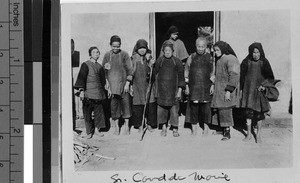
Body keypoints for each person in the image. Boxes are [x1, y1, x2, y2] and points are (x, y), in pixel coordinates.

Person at [240, 42, 275, 143]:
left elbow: (270, 77)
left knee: (259, 114)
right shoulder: (246, 62)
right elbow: (241, 77)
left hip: (259, 91)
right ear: (251, 53)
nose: (256, 54)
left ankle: (258, 134)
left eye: (258, 52)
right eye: (254, 52)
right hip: (248, 91)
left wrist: (264, 86)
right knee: (248, 113)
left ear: (261, 52)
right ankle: (249, 134)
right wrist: (242, 90)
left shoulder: (264, 62)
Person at [102, 35, 133, 135]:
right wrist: (108, 85)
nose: (116, 48)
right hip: (112, 87)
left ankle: (127, 126)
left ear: (120, 45)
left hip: (124, 86)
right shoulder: (107, 55)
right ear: (110, 45)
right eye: (114, 46)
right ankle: (116, 127)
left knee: (126, 106)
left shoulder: (124, 54)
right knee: (114, 107)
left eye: (118, 46)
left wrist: (127, 84)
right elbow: (105, 72)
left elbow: (130, 70)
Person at [74, 47, 107, 139]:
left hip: (98, 93)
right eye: (94, 52)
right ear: (90, 54)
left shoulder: (100, 66)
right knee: (87, 113)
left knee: (99, 113)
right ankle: (89, 132)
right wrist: (81, 91)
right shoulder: (85, 65)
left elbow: (103, 81)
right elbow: (81, 78)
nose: (96, 53)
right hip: (88, 93)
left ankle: (97, 130)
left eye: (98, 52)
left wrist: (105, 89)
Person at [154, 41, 185, 137]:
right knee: (162, 109)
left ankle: (175, 128)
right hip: (162, 90)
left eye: (169, 50)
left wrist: (179, 91)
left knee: (174, 110)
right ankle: (163, 127)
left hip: (173, 90)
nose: (167, 52)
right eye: (165, 51)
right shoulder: (160, 61)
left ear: (173, 51)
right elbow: (153, 74)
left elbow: (181, 77)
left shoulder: (177, 61)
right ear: (163, 51)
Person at [185, 37, 214, 136]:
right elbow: (186, 72)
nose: (200, 49)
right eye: (198, 46)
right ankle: (194, 128)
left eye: (202, 47)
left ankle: (205, 128)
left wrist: (212, 85)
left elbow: (212, 73)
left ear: (205, 47)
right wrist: (187, 86)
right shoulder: (192, 57)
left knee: (206, 109)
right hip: (194, 87)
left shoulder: (209, 57)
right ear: (196, 46)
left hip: (206, 86)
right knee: (194, 108)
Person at [211, 41, 240, 141]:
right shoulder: (219, 59)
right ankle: (221, 129)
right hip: (219, 88)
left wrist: (229, 91)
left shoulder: (231, 59)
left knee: (225, 109)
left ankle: (227, 131)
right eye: (214, 50)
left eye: (217, 50)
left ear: (223, 49)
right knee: (218, 109)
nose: (216, 52)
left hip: (226, 89)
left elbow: (234, 75)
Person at [159, 25, 189, 116]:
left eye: (177, 34)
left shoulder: (180, 42)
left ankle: (177, 111)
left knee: (178, 89)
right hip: (168, 69)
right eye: (174, 34)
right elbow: (161, 57)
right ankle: (168, 111)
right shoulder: (166, 42)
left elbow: (184, 57)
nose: (176, 36)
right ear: (170, 34)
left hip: (178, 68)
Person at [130, 39, 157, 132]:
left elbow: (153, 73)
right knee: (138, 106)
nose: (142, 50)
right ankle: (140, 125)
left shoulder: (149, 57)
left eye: (144, 48)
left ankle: (150, 124)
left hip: (148, 86)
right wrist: (130, 86)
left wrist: (151, 64)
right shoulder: (133, 58)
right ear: (137, 48)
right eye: (140, 48)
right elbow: (130, 73)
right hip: (137, 85)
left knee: (150, 105)